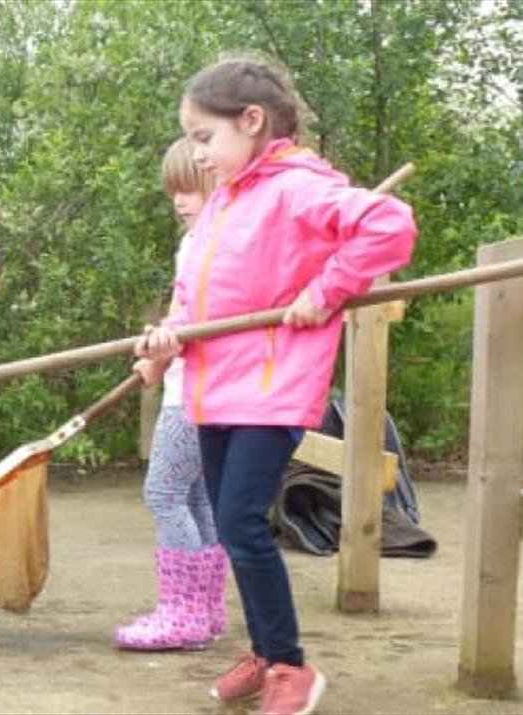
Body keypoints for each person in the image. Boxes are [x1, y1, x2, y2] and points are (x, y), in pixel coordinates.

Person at [136, 57, 416, 715]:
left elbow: (390, 225)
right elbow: (192, 298)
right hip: (213, 388)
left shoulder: (295, 188)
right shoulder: (221, 208)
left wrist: (326, 289)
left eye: (204, 137)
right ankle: (265, 650)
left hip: (269, 387)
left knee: (239, 522)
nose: (197, 153)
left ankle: (289, 663)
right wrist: (163, 342)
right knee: (237, 529)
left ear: (251, 121)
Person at [114, 138, 224, 651]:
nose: (180, 201)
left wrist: (159, 355)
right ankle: (206, 609)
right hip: (204, 387)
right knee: (197, 495)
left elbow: (199, 320)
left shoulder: (209, 242)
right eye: (173, 192)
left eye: (191, 189)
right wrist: (160, 346)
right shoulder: (208, 238)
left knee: (163, 493)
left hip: (195, 395)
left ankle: (184, 612)